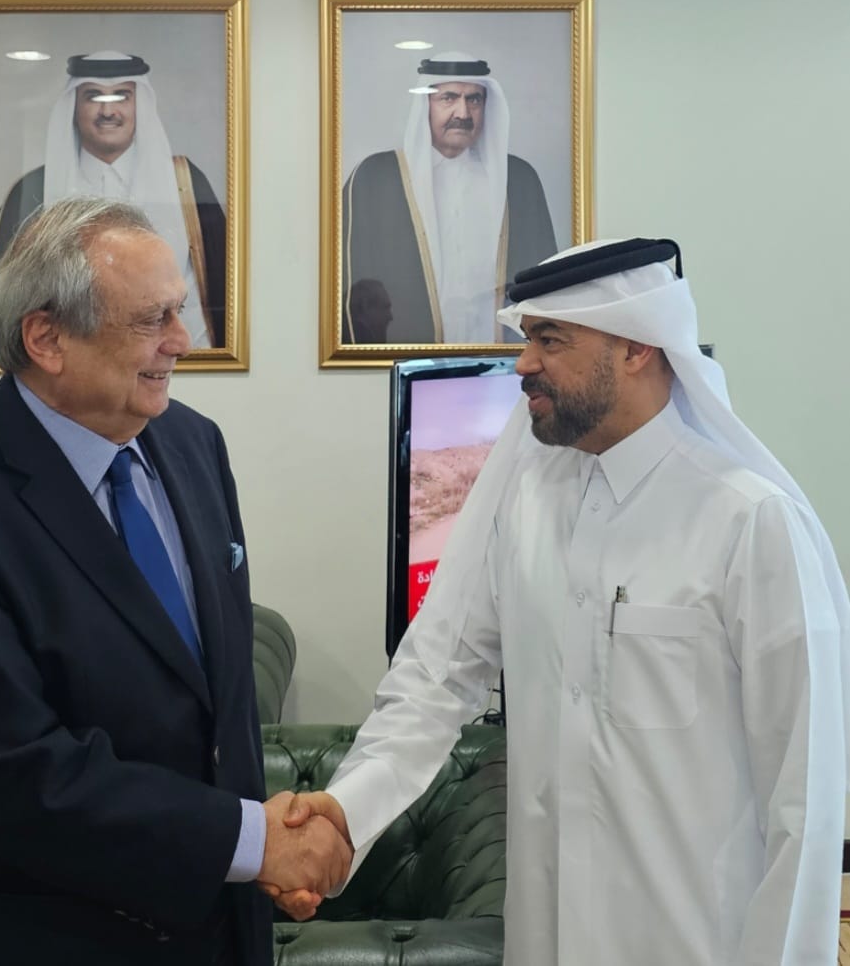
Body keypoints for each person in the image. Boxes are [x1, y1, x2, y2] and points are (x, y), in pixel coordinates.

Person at [274, 237, 850, 966]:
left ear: (636, 347)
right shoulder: (524, 504)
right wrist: (343, 814)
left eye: (550, 340)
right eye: (527, 339)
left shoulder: (751, 522)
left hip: (693, 943)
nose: (522, 364)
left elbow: (804, 799)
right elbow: (434, 678)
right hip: (544, 940)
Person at [0, 198, 349, 966]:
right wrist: (256, 842)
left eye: (180, 311)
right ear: (46, 338)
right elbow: (16, 780)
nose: (182, 341)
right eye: (152, 320)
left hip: (212, 927)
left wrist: (267, 849)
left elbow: (214, 710)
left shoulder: (192, 444)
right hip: (33, 942)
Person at [0, 52, 226, 348]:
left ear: (139, 105)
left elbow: (216, 288)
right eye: (93, 96)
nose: (107, 111)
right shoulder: (32, 189)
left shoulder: (185, 182)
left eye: (121, 96)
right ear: (74, 107)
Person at [341, 52, 556, 345]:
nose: (463, 113)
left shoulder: (519, 179)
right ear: (425, 105)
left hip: (501, 360)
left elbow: (544, 284)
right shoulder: (376, 177)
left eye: (474, 100)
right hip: (407, 356)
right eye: (448, 98)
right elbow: (354, 291)